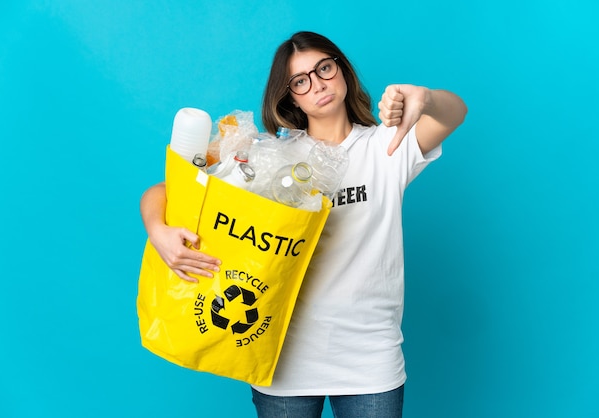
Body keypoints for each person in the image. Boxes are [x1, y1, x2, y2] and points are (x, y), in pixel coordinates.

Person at [140, 31, 467, 418]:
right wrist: (158, 231)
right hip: (280, 357)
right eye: (301, 81)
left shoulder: (386, 147)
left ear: (341, 70)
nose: (318, 85)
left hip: (369, 360)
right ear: (290, 95)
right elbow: (166, 188)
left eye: (324, 68)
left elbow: (455, 113)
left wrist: (425, 97)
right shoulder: (270, 158)